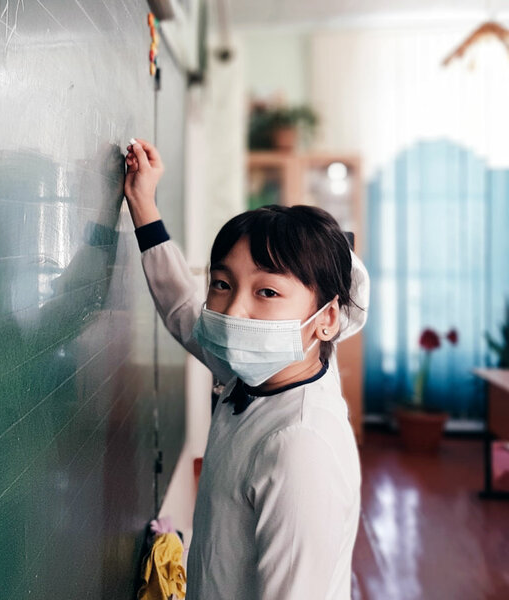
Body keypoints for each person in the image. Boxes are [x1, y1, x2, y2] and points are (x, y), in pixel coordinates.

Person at [123, 138, 369, 599]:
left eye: (267, 292)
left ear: (328, 319)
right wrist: (143, 204)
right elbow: (182, 311)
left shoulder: (300, 447)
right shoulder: (260, 373)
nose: (233, 311)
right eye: (222, 283)